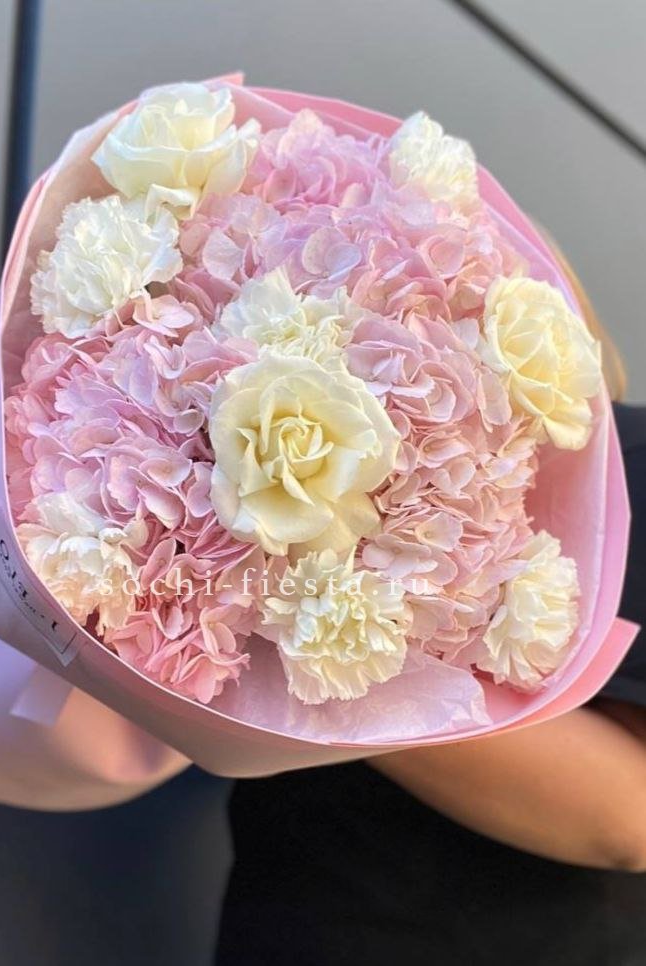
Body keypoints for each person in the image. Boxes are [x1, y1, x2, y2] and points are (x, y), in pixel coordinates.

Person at [215, 262, 646, 965]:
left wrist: (311, 636)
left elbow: (630, 816)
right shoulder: (314, 440)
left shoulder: (634, 464)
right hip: (294, 920)